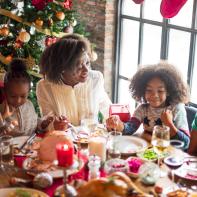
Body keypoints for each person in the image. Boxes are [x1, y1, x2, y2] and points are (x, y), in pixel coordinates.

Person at [106, 62, 190, 149]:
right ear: (142, 90)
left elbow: (186, 143)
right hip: (150, 153)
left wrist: (169, 124)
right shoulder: (142, 109)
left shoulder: (177, 109)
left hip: (171, 157)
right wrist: (119, 125)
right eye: (149, 90)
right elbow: (130, 129)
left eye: (160, 91)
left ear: (168, 91)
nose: (154, 95)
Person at [36, 34, 111, 127]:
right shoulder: (44, 86)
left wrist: (114, 121)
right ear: (62, 68)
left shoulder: (96, 79)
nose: (86, 70)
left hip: (93, 139)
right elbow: (47, 123)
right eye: (79, 66)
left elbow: (108, 110)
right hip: (62, 139)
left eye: (87, 63)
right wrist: (54, 125)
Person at [0, 59, 53, 137]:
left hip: (30, 145)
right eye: (13, 96)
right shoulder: (2, 109)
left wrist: (42, 124)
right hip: (9, 147)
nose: (18, 101)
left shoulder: (29, 105)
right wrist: (3, 117)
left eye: (23, 96)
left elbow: (34, 123)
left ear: (28, 92)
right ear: (4, 91)